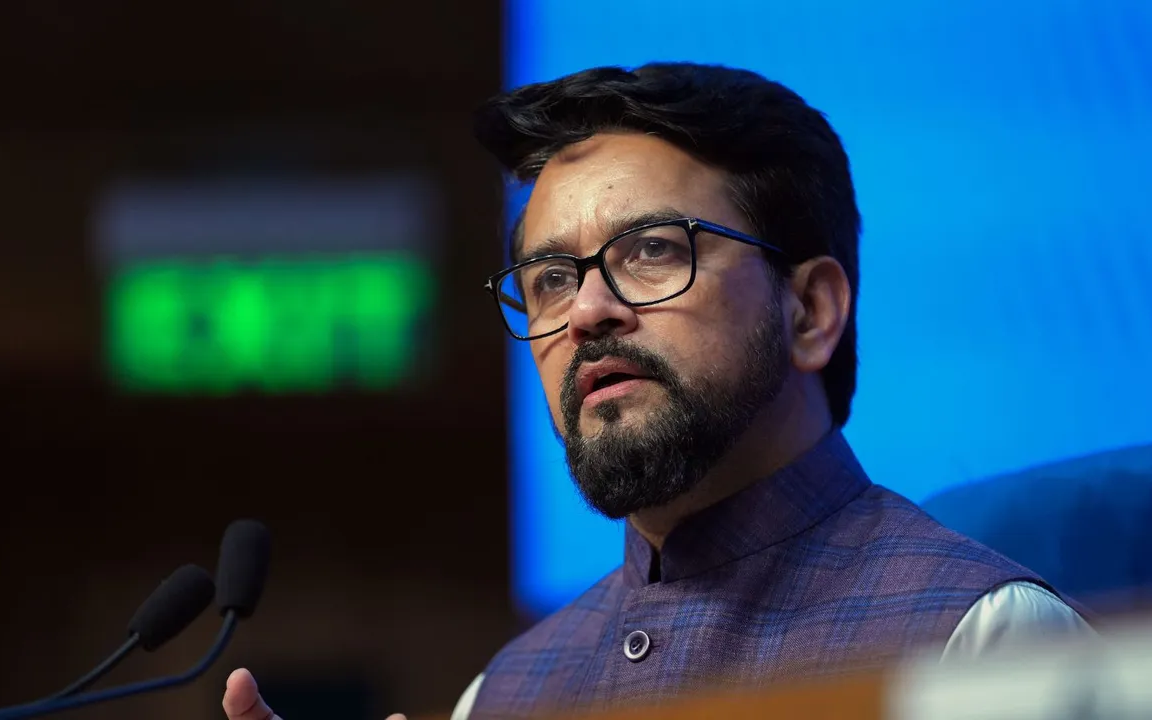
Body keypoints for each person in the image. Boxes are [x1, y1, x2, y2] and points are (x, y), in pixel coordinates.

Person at [221, 62, 1094, 720]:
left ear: (811, 309)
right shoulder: (503, 693)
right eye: (551, 276)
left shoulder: (984, 642)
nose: (586, 311)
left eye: (652, 251)